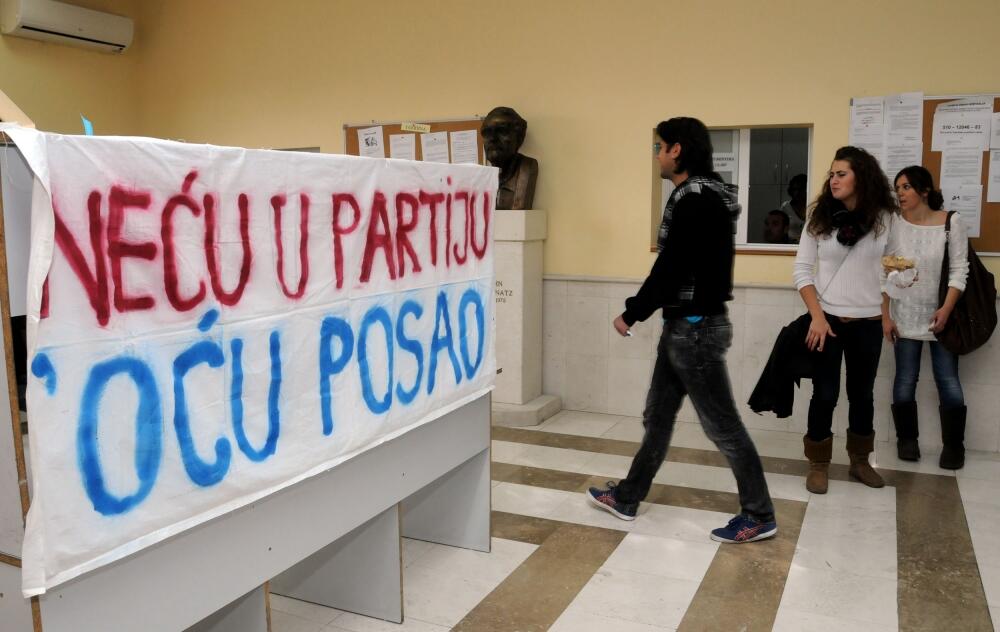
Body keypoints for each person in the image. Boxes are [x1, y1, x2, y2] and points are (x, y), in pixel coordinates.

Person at [586, 117, 776, 544]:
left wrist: (631, 313)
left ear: (677, 150)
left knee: (723, 428)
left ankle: (759, 514)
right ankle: (629, 496)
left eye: (659, 147)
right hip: (685, 327)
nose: (655, 155)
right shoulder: (702, 195)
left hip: (695, 329)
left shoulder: (695, 199)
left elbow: (671, 268)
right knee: (658, 416)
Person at [793, 146, 897, 494]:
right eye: (832, 174)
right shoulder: (820, 219)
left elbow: (892, 269)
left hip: (868, 320)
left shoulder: (885, 219)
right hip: (827, 320)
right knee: (824, 393)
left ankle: (859, 461)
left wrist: (899, 287)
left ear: (861, 177)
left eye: (842, 174)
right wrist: (817, 318)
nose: (833, 180)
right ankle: (818, 463)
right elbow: (802, 272)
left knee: (862, 393)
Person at [882, 166, 969, 468]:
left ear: (924, 191)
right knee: (905, 379)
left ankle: (954, 447)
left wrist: (946, 309)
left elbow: (960, 271)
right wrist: (886, 316)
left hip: (941, 318)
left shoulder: (951, 222)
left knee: (948, 380)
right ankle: (907, 440)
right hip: (903, 315)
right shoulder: (894, 223)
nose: (900, 194)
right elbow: (886, 270)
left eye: (906, 187)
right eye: (898, 188)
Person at [480, 106, 538, 210]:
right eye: (487, 133)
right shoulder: (480, 177)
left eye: (502, 131)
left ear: (519, 137)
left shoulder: (527, 169)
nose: (492, 138)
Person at [781, 173, 808, 241]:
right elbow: (780, 231)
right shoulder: (786, 207)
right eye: (794, 189)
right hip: (790, 245)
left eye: (800, 189)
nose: (797, 193)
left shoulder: (812, 206)